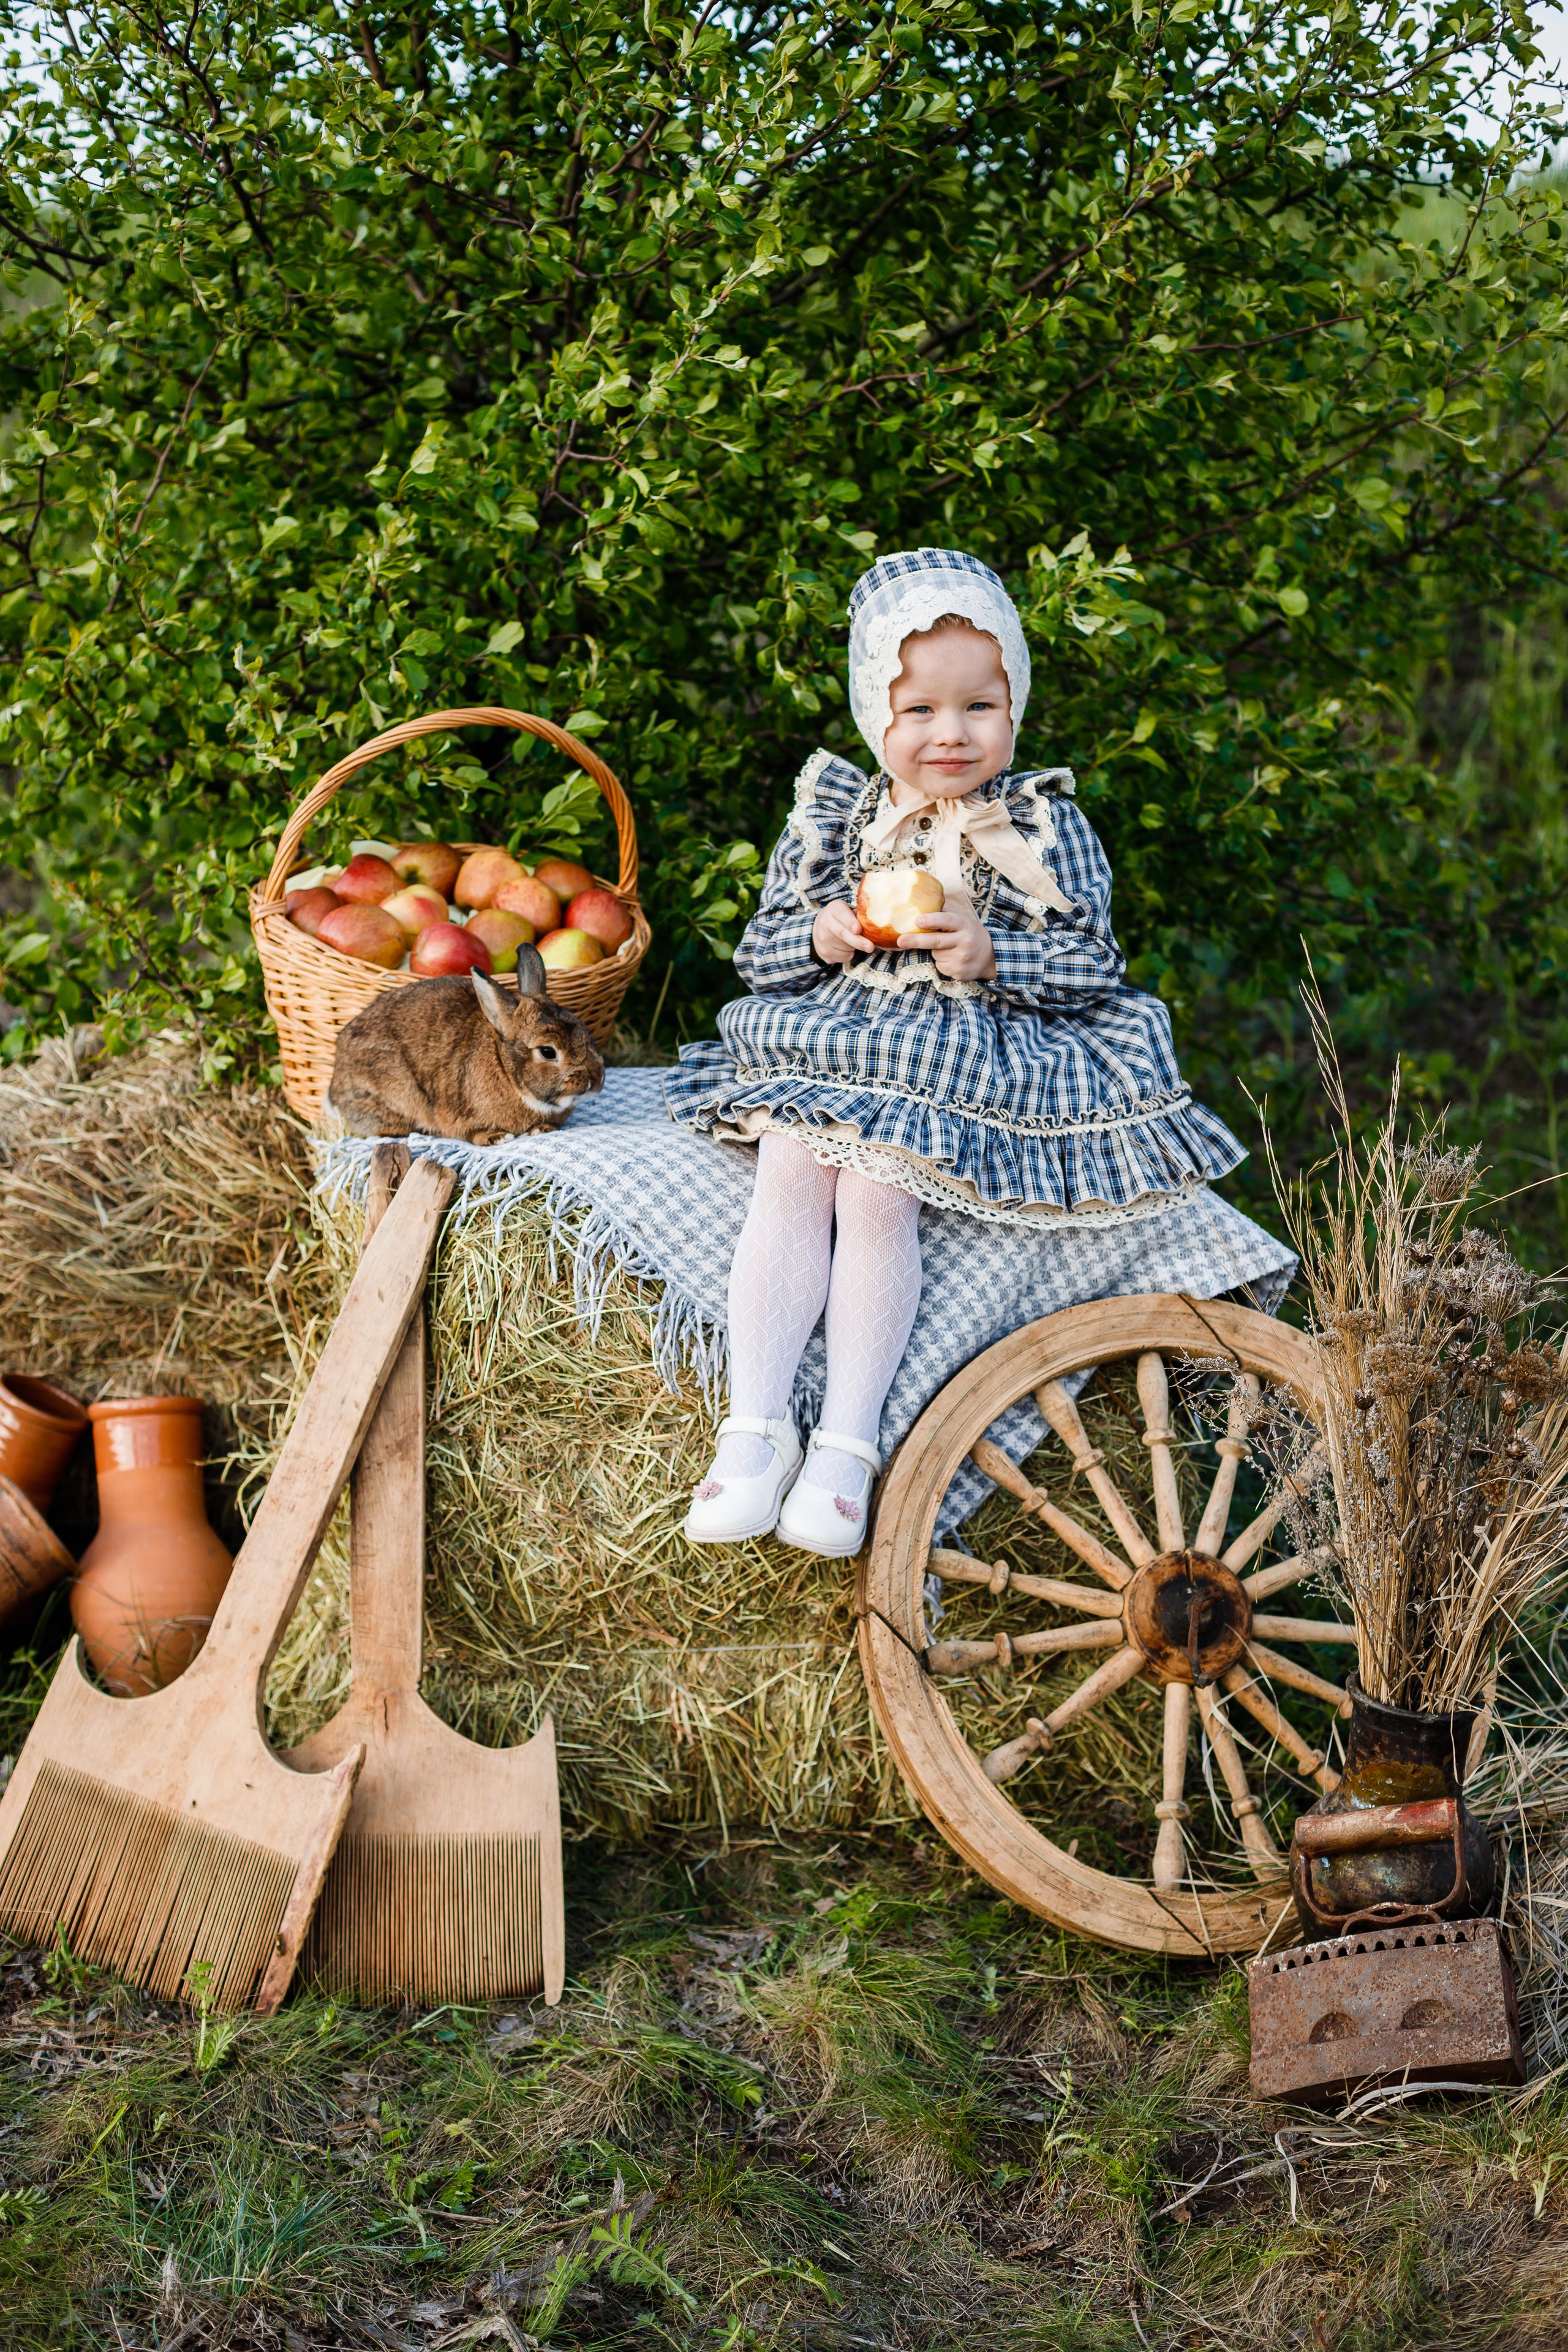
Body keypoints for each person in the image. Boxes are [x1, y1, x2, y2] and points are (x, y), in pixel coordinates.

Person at [663, 546, 1244, 1558]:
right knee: (794, 1160)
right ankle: (753, 1429)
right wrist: (822, 934)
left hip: (964, 1045)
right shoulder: (837, 817)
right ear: (873, 712)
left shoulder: (1044, 824)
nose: (951, 733)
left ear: (1014, 707)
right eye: (920, 710)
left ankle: (846, 1446)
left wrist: (993, 952)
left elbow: (1095, 962)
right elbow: (759, 955)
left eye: (981, 707)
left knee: (875, 1190)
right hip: (844, 1031)